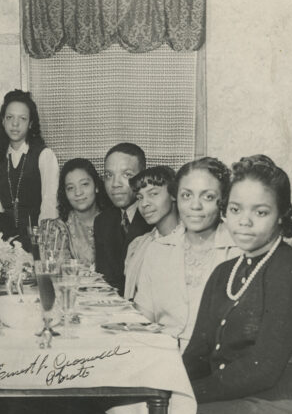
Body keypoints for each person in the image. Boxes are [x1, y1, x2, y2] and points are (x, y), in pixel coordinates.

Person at [14, 155, 292, 414]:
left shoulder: (287, 267)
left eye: (261, 212)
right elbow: (197, 354)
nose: (245, 222)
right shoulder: (226, 272)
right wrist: (159, 390)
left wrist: (173, 397)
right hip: (229, 398)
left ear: (282, 215)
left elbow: (263, 370)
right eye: (236, 209)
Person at [134, 157, 241, 349]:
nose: (195, 206)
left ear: (222, 200)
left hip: (217, 364)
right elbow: (143, 318)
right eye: (186, 195)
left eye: (207, 196)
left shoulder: (240, 251)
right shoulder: (157, 250)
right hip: (162, 358)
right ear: (176, 197)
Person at [0, 89, 59, 251]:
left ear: (31, 124)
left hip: (37, 241)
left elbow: (49, 207)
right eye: (10, 117)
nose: (15, 124)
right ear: (3, 121)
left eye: (22, 118)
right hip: (6, 245)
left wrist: (41, 246)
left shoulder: (45, 156)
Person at [93, 143, 153, 293]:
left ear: (142, 178)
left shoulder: (155, 218)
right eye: (109, 175)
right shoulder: (103, 221)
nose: (115, 184)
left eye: (126, 175)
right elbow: (105, 281)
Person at [123, 166, 180, 300]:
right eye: (140, 197)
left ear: (173, 194)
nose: (144, 204)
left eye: (153, 194)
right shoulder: (138, 245)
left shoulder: (189, 242)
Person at [54, 158, 109, 265]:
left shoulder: (114, 221)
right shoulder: (59, 228)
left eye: (84, 184)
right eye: (70, 188)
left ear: (96, 186)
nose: (78, 192)